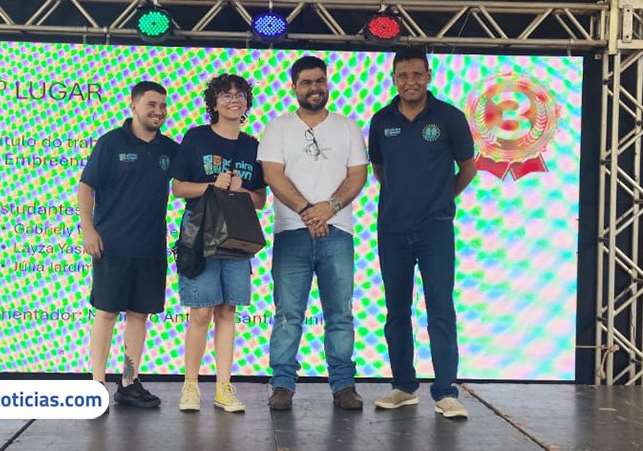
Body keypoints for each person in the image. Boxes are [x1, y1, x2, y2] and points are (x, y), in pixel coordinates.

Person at [368, 47, 477, 419]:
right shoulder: (381, 120)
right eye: (403, 75)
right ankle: (403, 386)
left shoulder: (449, 117)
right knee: (397, 311)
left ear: (428, 76)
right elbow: (380, 169)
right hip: (392, 230)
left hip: (436, 229)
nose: (410, 82)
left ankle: (446, 391)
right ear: (393, 79)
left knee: (441, 309)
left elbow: (467, 168)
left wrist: (440, 198)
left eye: (417, 74)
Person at [258, 55, 369, 411]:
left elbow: (358, 175)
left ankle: (343, 385)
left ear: (327, 83)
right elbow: (273, 175)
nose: (314, 88)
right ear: (294, 87)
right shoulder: (278, 127)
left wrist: (329, 208)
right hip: (291, 232)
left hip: (338, 231)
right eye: (306, 82)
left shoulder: (347, 126)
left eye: (319, 80)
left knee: (340, 314)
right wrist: (308, 211)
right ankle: (282, 385)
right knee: (288, 314)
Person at [78, 81, 178, 410]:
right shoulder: (111, 142)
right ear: (134, 106)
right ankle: (96, 385)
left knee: (139, 315)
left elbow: (187, 181)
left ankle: (129, 382)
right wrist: (88, 230)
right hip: (112, 244)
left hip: (151, 246)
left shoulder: (169, 148)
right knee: (106, 313)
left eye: (162, 105)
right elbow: (86, 187)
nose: (158, 111)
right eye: (151, 104)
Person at [170, 74, 266, 413]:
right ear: (213, 103)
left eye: (240, 95)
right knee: (201, 311)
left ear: (247, 103)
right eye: (225, 95)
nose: (233, 100)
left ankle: (224, 388)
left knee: (227, 311)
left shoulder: (253, 145)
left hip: (237, 237)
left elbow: (261, 200)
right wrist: (212, 185)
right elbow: (178, 188)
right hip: (200, 235)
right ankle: (190, 386)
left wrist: (242, 190)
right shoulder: (196, 138)